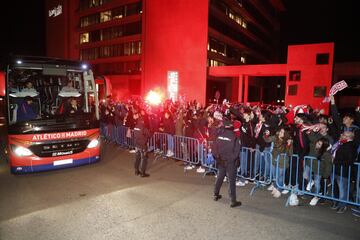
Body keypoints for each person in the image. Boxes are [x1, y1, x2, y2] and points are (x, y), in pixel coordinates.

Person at [212, 119, 242, 208]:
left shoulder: (219, 135)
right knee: (231, 181)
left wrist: (218, 158)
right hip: (230, 163)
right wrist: (229, 160)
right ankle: (233, 201)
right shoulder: (235, 137)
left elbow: (214, 149)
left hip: (221, 161)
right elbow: (236, 153)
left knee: (219, 178)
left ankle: (215, 194)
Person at [133, 112, 151, 177]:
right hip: (142, 145)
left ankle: (136, 171)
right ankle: (142, 173)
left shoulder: (135, 127)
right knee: (144, 159)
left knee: (137, 158)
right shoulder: (143, 127)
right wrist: (146, 137)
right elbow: (149, 134)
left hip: (136, 145)